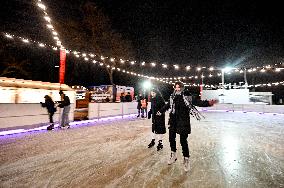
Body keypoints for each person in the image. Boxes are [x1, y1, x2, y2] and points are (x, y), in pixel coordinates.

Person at [158, 81, 216, 172]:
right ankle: (173, 155)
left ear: (182, 88)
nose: (177, 89)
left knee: (183, 141)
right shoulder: (172, 97)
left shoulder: (187, 97)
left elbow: (198, 102)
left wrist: (209, 103)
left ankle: (186, 159)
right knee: (171, 138)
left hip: (183, 121)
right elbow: (168, 105)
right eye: (175, 87)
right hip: (173, 120)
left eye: (179, 87)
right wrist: (161, 111)